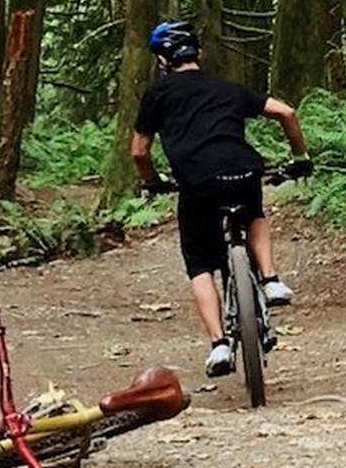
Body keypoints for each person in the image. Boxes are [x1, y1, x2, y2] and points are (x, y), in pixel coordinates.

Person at [131, 20, 311, 378]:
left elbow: (139, 151)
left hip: (196, 181)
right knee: (254, 213)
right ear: (198, 53)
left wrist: (153, 181)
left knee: (199, 263)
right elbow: (286, 112)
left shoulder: (158, 94)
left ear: (163, 61)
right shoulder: (227, 88)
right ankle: (271, 278)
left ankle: (219, 345)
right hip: (242, 171)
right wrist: (300, 157)